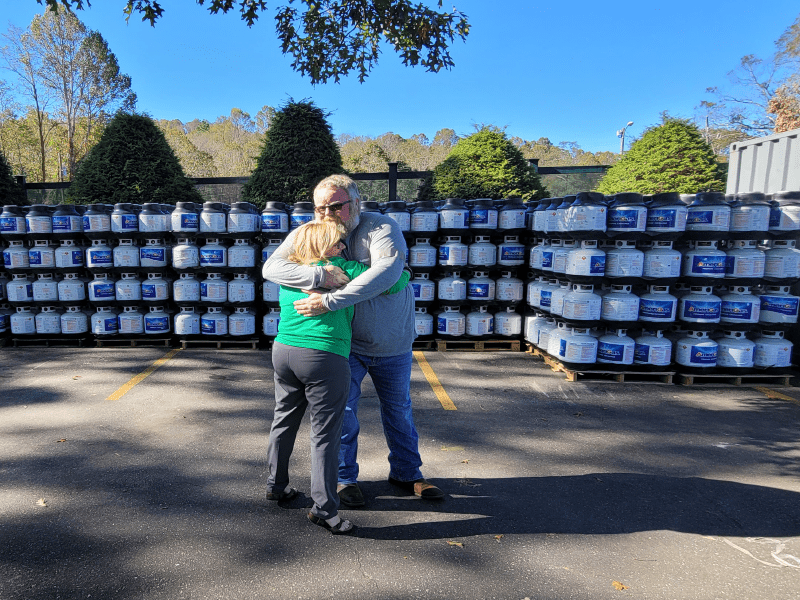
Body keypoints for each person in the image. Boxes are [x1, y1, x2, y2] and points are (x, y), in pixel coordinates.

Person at [264, 174, 444, 508]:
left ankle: (407, 473)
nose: (327, 214)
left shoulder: (381, 228)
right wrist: (319, 274)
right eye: (320, 208)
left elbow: (388, 273)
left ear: (356, 203)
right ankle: (345, 478)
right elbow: (272, 267)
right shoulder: (313, 232)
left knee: (399, 410)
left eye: (335, 206)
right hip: (344, 346)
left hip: (392, 341)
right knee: (343, 414)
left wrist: (330, 299)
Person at [265, 219, 410, 536]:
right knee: (325, 436)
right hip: (323, 357)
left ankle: (277, 486)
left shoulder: (290, 268)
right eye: (336, 242)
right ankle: (325, 510)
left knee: (284, 420)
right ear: (320, 246)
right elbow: (395, 281)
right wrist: (403, 269)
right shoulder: (343, 269)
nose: (344, 246)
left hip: (284, 349)